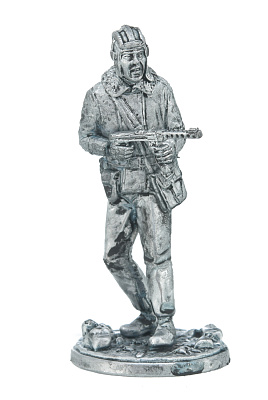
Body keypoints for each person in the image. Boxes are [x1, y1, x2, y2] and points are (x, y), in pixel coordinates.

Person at [78, 25, 187, 347]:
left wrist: (171, 148)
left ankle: (165, 321)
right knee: (114, 255)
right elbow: (86, 137)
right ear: (115, 57)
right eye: (128, 56)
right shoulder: (98, 95)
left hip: (155, 186)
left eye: (140, 55)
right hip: (121, 187)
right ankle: (146, 312)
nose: (136, 62)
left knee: (158, 256)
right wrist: (108, 148)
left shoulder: (161, 89)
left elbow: (178, 130)